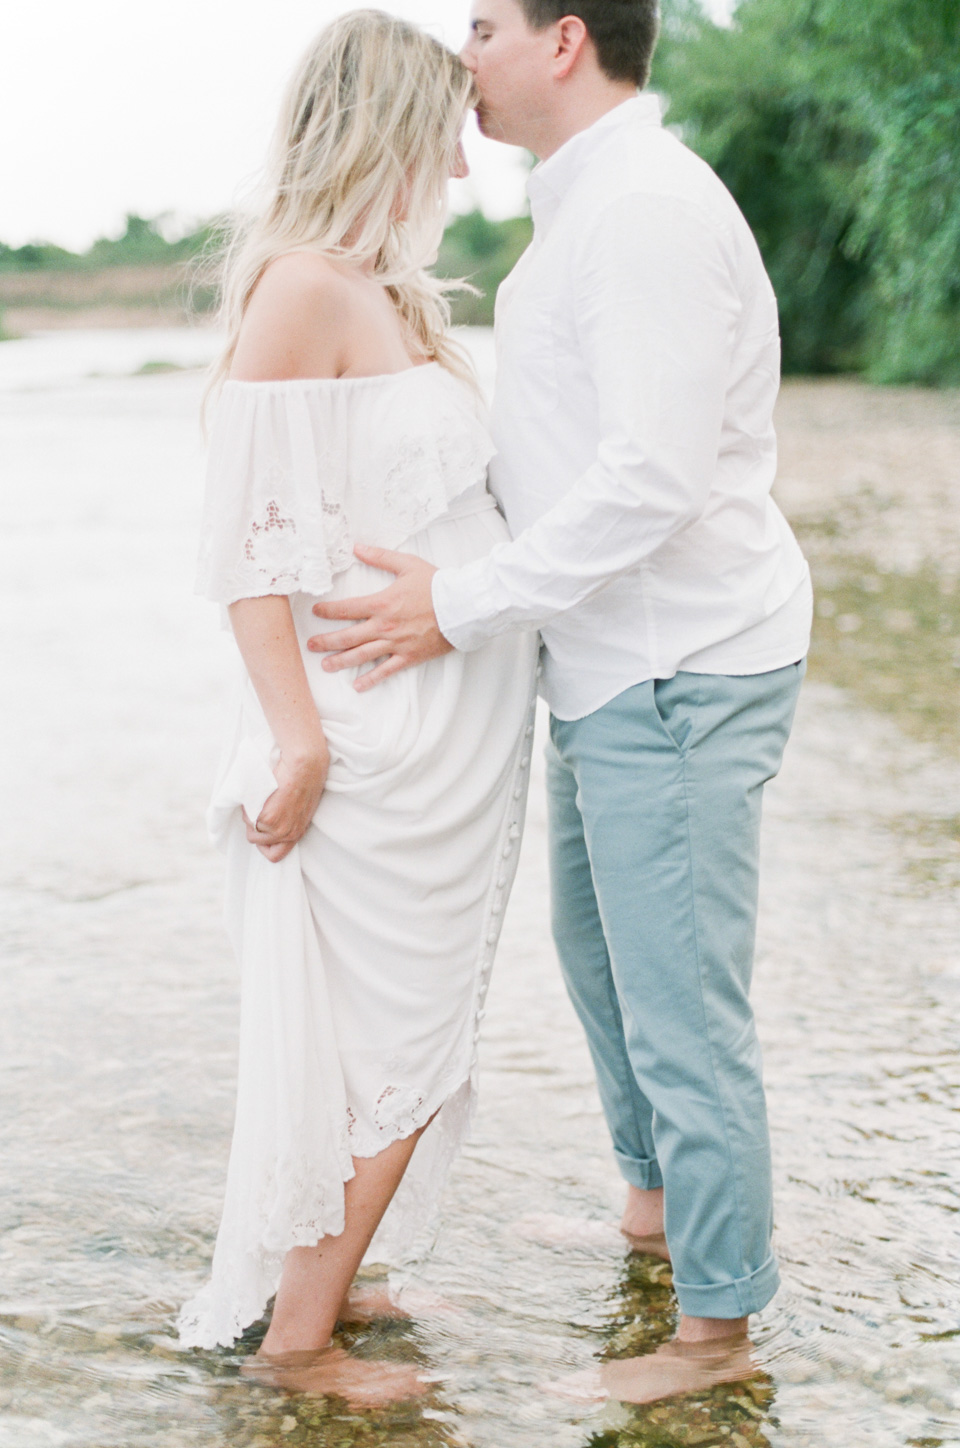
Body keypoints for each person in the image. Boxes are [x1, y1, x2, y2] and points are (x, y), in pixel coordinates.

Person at [308, 0, 813, 1405]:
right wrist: (459, 560)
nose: (461, 52)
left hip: (680, 661)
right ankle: (653, 1215)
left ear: (565, 39)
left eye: (482, 26)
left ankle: (715, 1334)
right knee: (601, 965)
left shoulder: (643, 207)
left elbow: (649, 479)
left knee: (680, 1003)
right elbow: (570, 453)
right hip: (605, 660)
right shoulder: (586, 202)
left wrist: (455, 607)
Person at [176, 10, 538, 1405]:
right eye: (442, 124)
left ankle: (329, 1277)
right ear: (384, 120)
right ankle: (298, 1349)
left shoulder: (389, 293)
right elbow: (247, 556)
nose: (459, 155)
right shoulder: (303, 290)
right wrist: (302, 738)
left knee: (408, 1032)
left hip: (452, 734)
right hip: (373, 738)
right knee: (396, 1038)